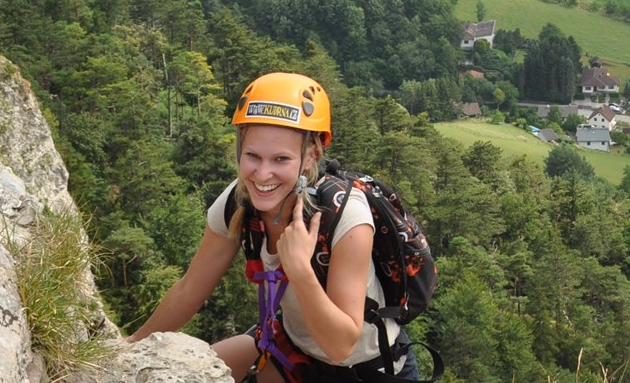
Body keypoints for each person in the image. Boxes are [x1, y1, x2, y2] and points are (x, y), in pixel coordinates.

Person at [126, 72, 415, 381]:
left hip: (365, 370)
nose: (263, 175)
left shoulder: (345, 216)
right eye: (252, 156)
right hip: (290, 350)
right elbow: (189, 291)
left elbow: (340, 345)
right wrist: (126, 351)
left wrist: (300, 270)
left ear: (310, 155)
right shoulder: (239, 201)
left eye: (280, 159)